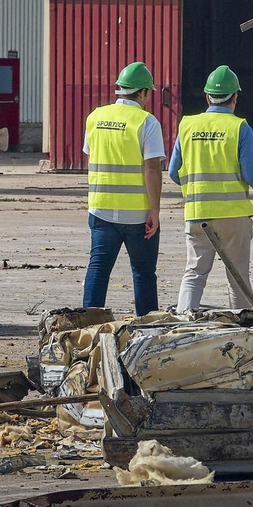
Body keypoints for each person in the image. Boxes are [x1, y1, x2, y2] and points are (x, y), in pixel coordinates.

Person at [168, 65, 253, 312]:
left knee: (194, 273)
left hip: (197, 214)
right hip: (233, 216)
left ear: (207, 97)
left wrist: (195, 188)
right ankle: (242, 331)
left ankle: (181, 324)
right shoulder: (239, 128)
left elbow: (173, 172)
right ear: (235, 97)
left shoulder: (187, 126)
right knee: (237, 278)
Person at [81, 61, 165, 316]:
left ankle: (88, 323)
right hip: (137, 215)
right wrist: (155, 211)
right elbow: (152, 169)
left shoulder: (95, 117)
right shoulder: (147, 122)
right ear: (142, 93)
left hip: (101, 209)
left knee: (98, 267)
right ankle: (148, 327)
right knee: (143, 272)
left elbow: (90, 155)